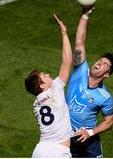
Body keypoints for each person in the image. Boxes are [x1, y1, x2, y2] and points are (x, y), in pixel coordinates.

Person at [66, 7, 113, 158]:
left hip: (90, 142)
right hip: (66, 136)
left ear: (107, 74)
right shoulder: (80, 69)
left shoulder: (105, 97)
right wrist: (85, 16)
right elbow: (79, 43)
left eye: (105, 64)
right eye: (100, 60)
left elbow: (110, 121)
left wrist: (90, 132)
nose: (100, 63)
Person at [25, 14, 73, 157]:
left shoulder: (36, 104)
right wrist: (64, 33)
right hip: (57, 152)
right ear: (42, 85)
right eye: (44, 76)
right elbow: (67, 61)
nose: (47, 74)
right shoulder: (55, 91)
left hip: (40, 151)